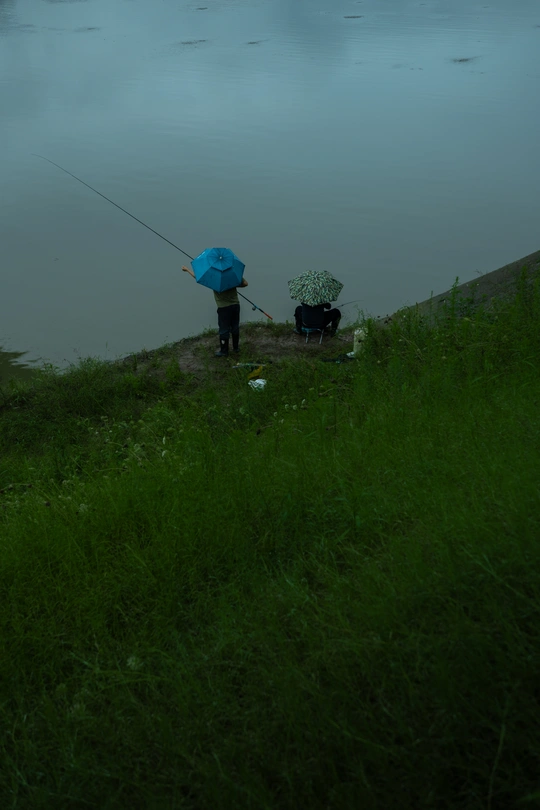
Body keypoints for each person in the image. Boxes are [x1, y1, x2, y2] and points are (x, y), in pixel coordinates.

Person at [182, 265, 248, 357]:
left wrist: (187, 270)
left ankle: (224, 351)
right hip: (235, 305)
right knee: (235, 326)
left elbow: (198, 277)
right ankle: (236, 348)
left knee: (224, 329)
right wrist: (235, 284)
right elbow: (245, 283)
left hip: (223, 308)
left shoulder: (213, 278)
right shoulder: (232, 274)